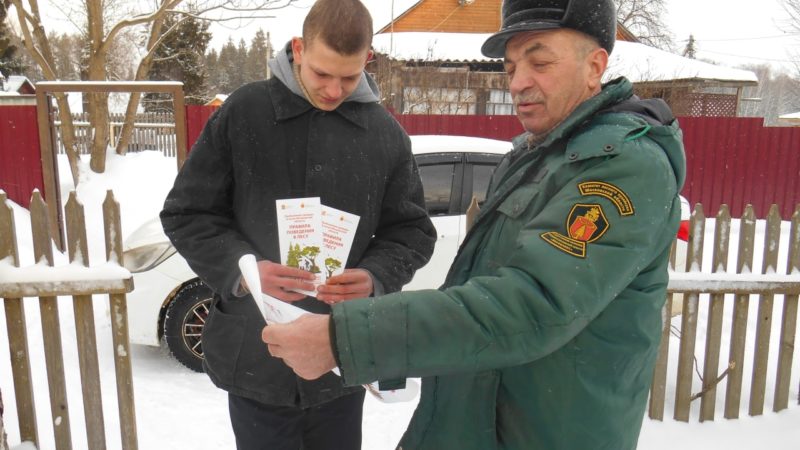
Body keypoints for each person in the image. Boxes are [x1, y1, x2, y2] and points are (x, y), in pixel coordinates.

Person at [261, 0, 687, 449]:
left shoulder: (623, 167)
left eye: (540, 61)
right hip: (475, 420)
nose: (519, 82)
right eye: (511, 66)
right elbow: (478, 289)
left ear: (594, 65)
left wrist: (345, 337)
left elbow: (530, 304)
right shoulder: (532, 157)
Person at [160, 0, 436, 448]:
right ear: (299, 49)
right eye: (322, 74)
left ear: (367, 61)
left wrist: (374, 276)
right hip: (255, 354)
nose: (333, 90)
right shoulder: (244, 113)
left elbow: (411, 232)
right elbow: (187, 213)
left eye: (348, 77)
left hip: (340, 357)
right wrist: (246, 272)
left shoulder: (385, 136)